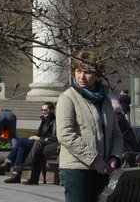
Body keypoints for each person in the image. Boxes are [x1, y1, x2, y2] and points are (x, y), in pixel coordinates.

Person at [56, 51, 124, 202]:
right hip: (77, 169)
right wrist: (94, 159)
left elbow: (116, 134)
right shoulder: (68, 98)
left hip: (103, 169)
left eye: (87, 72)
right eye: (78, 71)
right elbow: (65, 134)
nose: (81, 77)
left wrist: (115, 157)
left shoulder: (105, 100)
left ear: (97, 75)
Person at [4, 102, 56, 184]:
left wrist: (39, 138)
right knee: (22, 148)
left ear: (51, 110)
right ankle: (16, 175)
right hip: (38, 141)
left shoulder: (54, 121)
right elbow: (39, 133)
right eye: (42, 110)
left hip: (46, 143)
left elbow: (54, 137)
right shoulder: (44, 120)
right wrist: (33, 136)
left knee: (21, 141)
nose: (43, 111)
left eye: (45, 110)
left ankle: (8, 162)